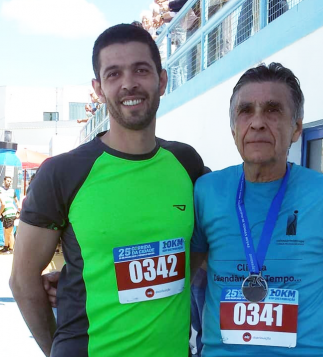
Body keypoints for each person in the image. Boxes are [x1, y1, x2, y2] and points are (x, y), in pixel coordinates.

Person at [10, 23, 206, 357]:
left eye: (141, 70)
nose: (129, 83)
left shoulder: (186, 162)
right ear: (98, 88)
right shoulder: (64, 172)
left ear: (161, 81)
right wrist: (57, 347)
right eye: (113, 74)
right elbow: (23, 280)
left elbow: (199, 247)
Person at [190, 63, 323, 356]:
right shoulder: (206, 191)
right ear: (233, 129)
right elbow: (184, 278)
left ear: (296, 128)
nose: (257, 122)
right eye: (245, 111)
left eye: (272, 110)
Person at [0, 176, 20, 254]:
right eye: (8, 181)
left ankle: (11, 249)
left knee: (10, 232)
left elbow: (16, 201)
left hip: (10, 213)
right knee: (6, 231)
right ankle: (6, 247)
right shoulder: (1, 190)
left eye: (10, 181)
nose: (9, 182)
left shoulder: (12, 191)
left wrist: (18, 210)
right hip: (5, 214)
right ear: (4, 181)